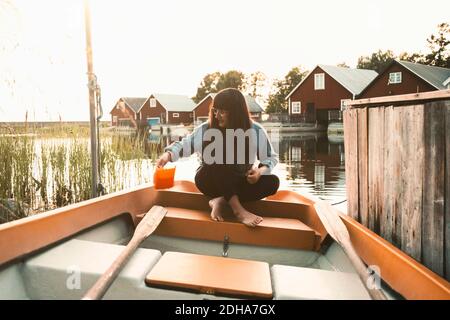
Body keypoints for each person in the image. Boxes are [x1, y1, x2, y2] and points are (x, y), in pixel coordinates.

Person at [156, 88, 279, 227]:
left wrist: (259, 172)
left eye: (222, 111)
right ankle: (238, 211)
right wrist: (168, 154)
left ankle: (221, 201)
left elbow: (270, 158)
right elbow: (186, 143)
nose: (216, 115)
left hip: (238, 182)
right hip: (210, 180)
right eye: (215, 110)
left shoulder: (256, 130)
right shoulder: (207, 129)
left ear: (236, 112)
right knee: (216, 155)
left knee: (273, 182)